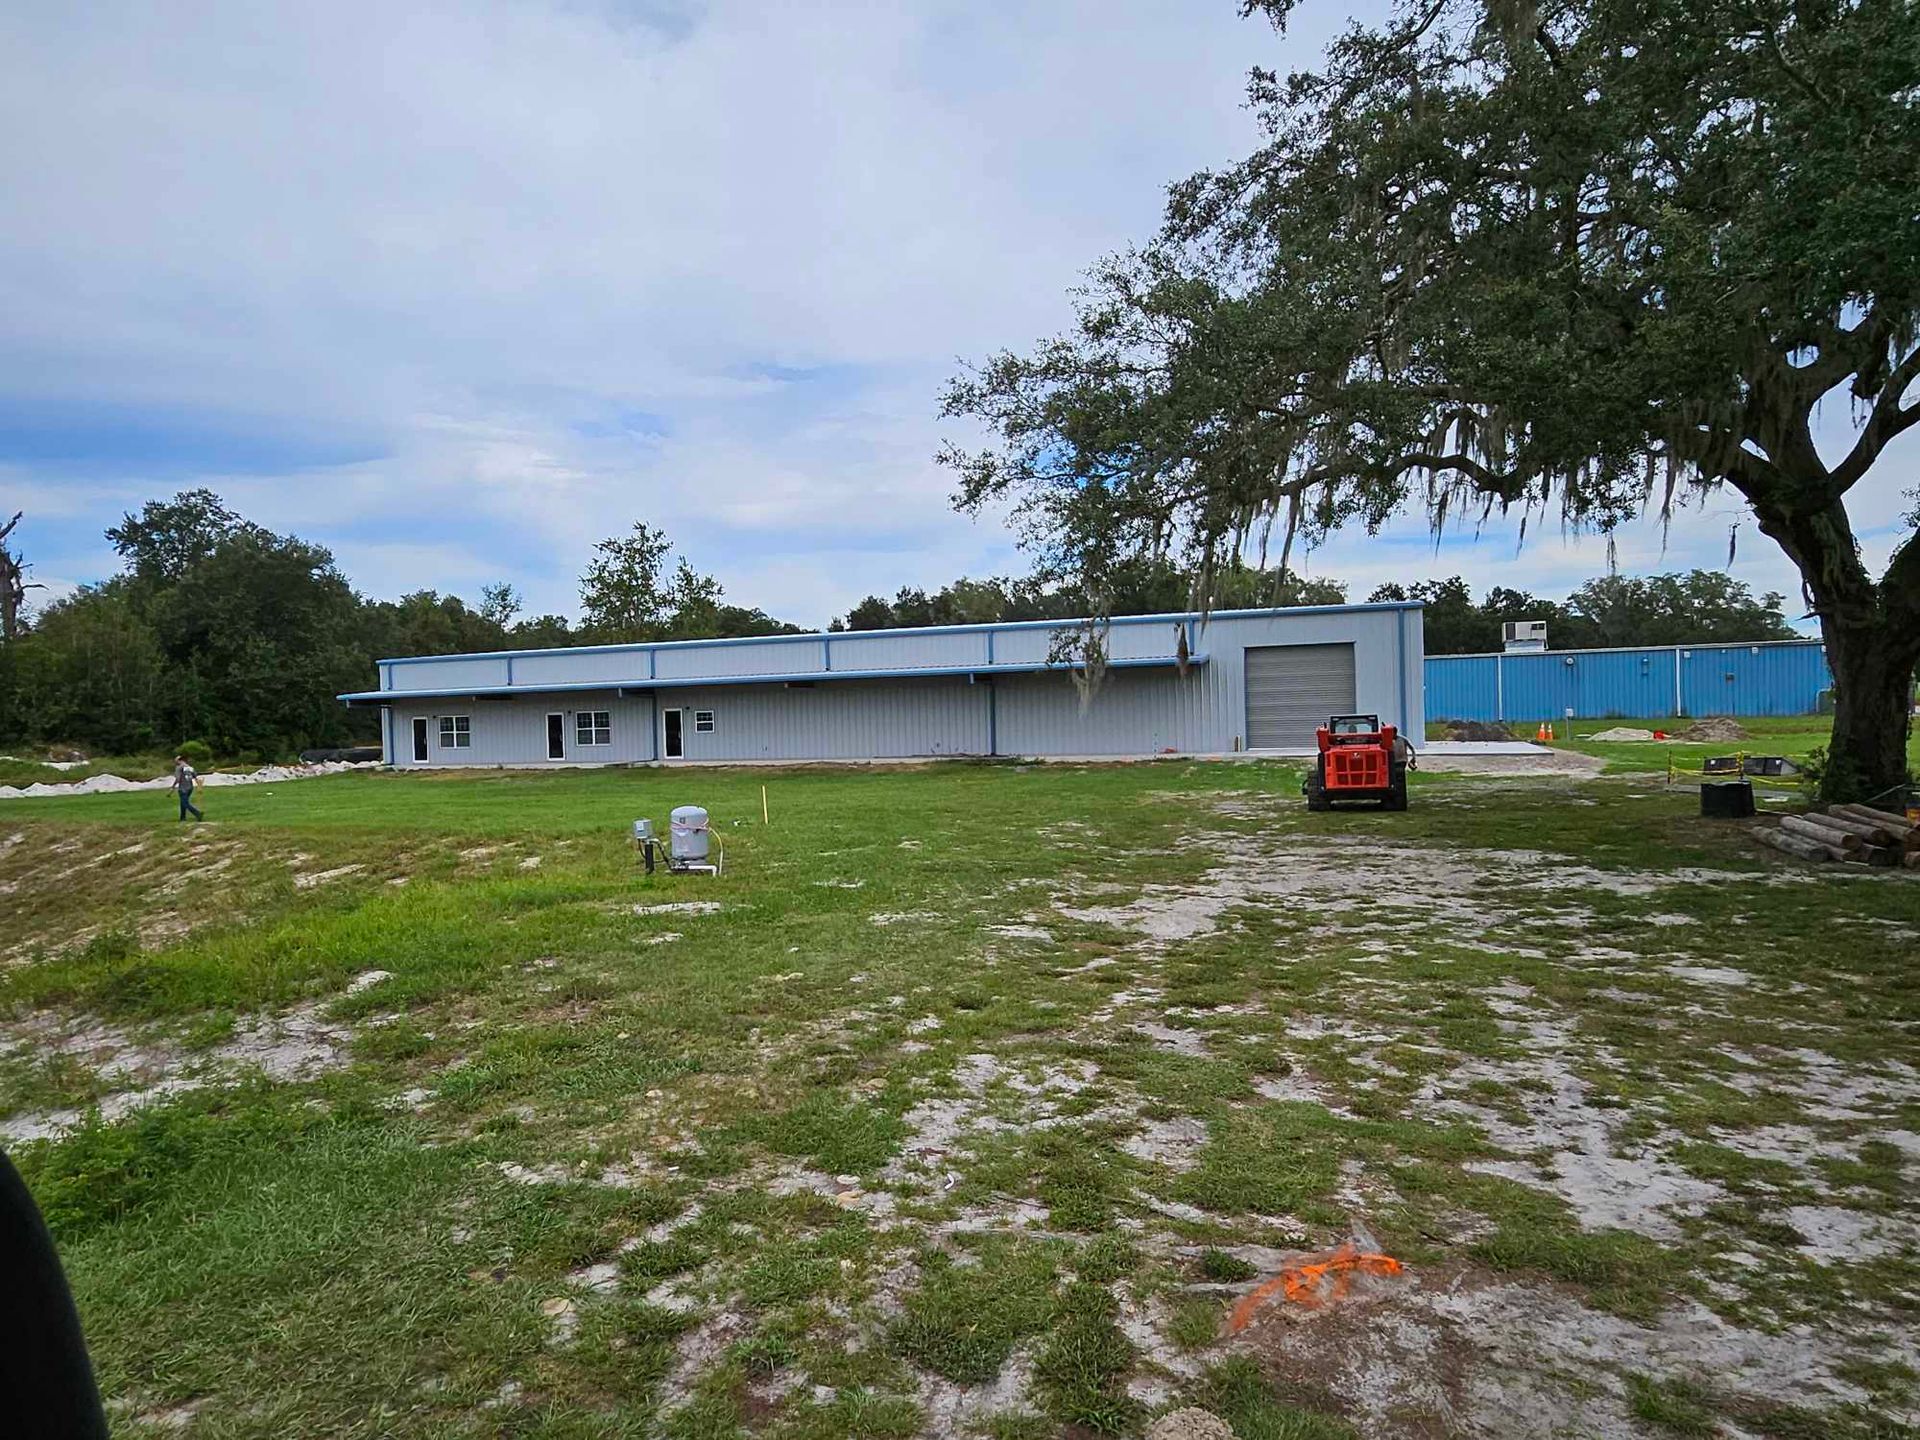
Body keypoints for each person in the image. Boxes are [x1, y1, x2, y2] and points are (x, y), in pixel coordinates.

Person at [174, 754, 203, 822]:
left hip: (183, 788)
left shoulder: (179, 767)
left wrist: (173, 787)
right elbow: (195, 777)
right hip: (190, 787)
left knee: (185, 803)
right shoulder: (190, 767)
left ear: (179, 760)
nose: (175, 761)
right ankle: (182, 818)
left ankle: (197, 813)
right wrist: (199, 786)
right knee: (183, 802)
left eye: (176, 760)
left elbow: (178, 779)